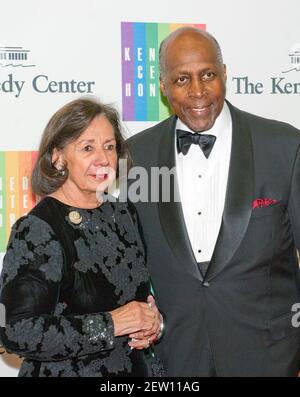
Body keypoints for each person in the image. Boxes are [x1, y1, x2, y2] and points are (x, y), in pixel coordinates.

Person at [127, 27, 300, 376]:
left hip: (269, 353)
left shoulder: (283, 145)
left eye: (207, 75)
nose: (197, 92)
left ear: (224, 74)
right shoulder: (137, 156)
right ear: (163, 87)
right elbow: (131, 259)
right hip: (175, 352)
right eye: (181, 79)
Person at [0, 98, 164, 377]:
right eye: (87, 148)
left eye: (109, 147)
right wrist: (111, 324)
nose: (103, 158)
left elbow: (141, 297)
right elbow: (15, 329)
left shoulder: (123, 214)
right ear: (58, 157)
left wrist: (153, 323)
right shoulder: (39, 228)